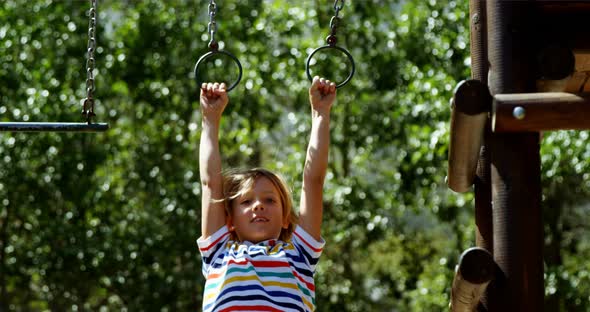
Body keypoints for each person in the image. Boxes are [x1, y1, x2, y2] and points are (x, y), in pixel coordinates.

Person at [197, 76, 336, 312]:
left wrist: (320, 113)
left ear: (285, 218)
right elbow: (211, 184)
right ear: (229, 220)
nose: (258, 206)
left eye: (270, 200)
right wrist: (210, 120)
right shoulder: (219, 251)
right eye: (246, 201)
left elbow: (313, 182)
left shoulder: (299, 254)